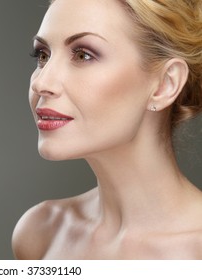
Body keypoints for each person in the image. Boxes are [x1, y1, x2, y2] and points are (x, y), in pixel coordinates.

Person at [12, 0, 202, 259]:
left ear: (165, 85)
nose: (42, 83)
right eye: (43, 56)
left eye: (83, 55)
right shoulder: (42, 233)